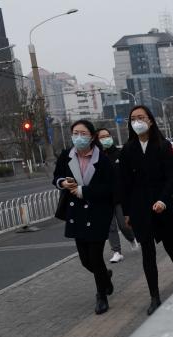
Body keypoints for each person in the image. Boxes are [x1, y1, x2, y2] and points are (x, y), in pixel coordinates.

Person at [118, 104, 173, 316]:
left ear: (150, 120)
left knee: (169, 245)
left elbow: (170, 178)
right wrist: (128, 212)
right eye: (133, 118)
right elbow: (124, 183)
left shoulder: (164, 146)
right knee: (147, 253)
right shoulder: (128, 149)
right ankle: (154, 296)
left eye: (141, 117)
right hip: (140, 207)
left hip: (162, 204)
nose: (137, 121)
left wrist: (163, 200)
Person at [53, 119, 116, 315]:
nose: (78, 137)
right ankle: (105, 277)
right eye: (75, 133)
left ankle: (101, 296)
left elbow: (110, 188)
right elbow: (56, 177)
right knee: (85, 260)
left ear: (91, 136)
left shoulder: (102, 159)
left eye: (83, 133)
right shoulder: (66, 155)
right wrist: (63, 183)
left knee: (95, 257)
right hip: (77, 213)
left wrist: (84, 191)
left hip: (98, 212)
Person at [96, 127, 137, 263]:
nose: (105, 139)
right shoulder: (95, 157)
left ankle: (132, 238)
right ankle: (117, 252)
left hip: (119, 196)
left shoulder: (119, 154)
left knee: (124, 225)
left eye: (107, 136)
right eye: (102, 137)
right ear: (97, 140)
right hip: (104, 198)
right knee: (110, 226)